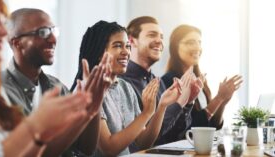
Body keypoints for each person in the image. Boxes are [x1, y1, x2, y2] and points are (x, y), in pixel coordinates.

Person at [0, 0, 104, 156]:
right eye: (43, 32)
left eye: (53, 31)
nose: (53, 39)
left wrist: (91, 111)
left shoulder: (55, 85)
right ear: (17, 43)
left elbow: (85, 148)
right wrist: (36, 126)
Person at [70, 20, 193, 156]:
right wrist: (146, 113)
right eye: (117, 46)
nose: (126, 52)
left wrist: (161, 107)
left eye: (127, 46)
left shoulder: (125, 87)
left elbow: (143, 143)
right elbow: (109, 148)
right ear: (100, 52)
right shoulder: (88, 90)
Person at [120, 16, 202, 145]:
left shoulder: (158, 82)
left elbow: (173, 136)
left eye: (161, 37)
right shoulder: (122, 84)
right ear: (131, 41)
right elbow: (142, 140)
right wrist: (179, 104)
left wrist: (187, 103)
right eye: (152, 35)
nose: (159, 41)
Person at [161, 24, 243, 143]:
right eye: (190, 42)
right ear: (175, 47)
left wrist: (223, 102)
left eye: (199, 42)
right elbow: (189, 131)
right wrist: (218, 99)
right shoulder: (170, 82)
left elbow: (212, 127)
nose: (197, 47)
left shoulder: (200, 81)